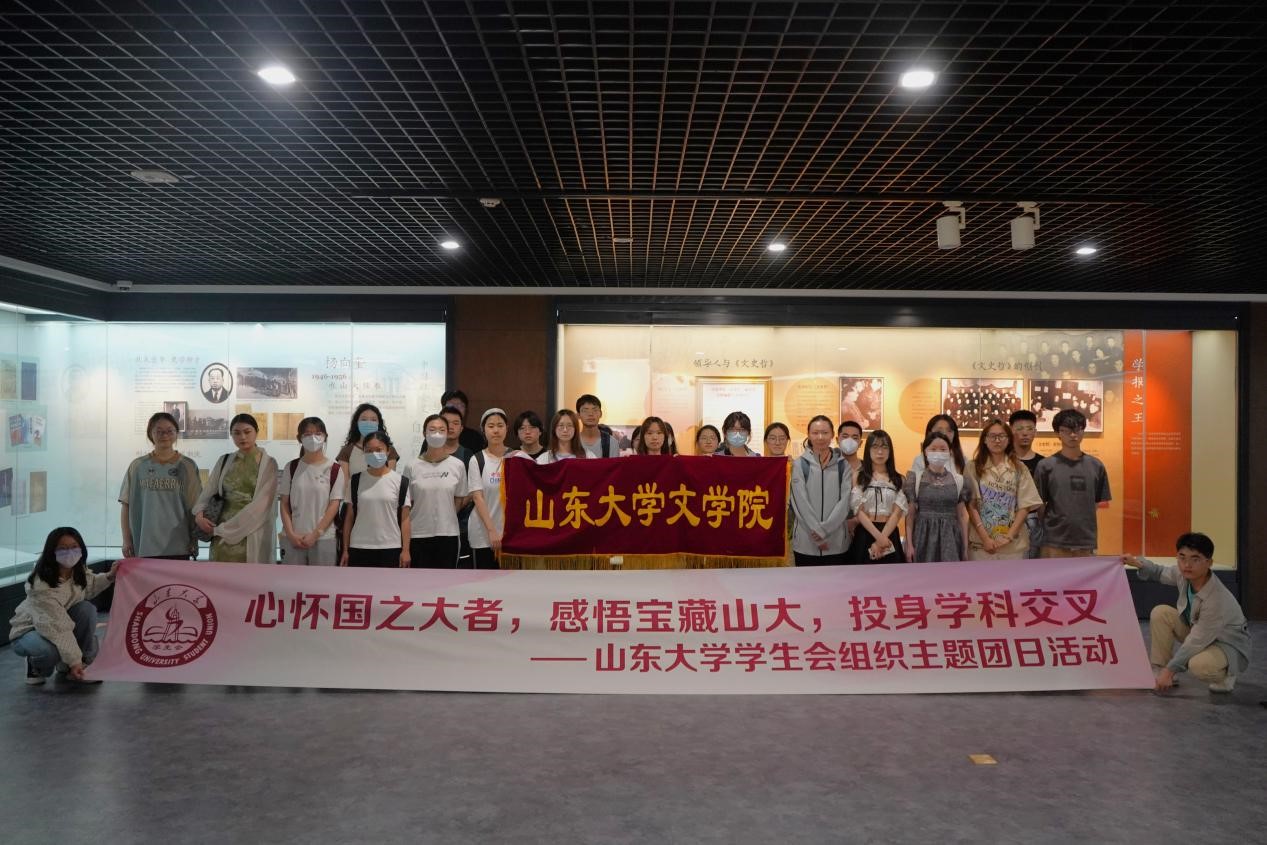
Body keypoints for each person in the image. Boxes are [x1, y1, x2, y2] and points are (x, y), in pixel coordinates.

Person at [1124, 533, 1251, 693]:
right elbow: (1159, 572)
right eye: (1182, 557)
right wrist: (1137, 563)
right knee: (1161, 613)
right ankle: (1159, 669)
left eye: (1195, 559)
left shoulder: (1216, 599)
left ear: (1209, 563)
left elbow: (1196, 641)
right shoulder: (1184, 574)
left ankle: (1225, 674)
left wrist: (1171, 670)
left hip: (1226, 644)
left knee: (1199, 665)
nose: (1187, 564)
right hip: (1201, 632)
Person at [10, 527, 118, 685]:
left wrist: (110, 576)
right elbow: (57, 626)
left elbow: (89, 587)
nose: (70, 552)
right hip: (30, 630)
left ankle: (73, 666)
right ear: (51, 552)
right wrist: (74, 661)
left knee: (86, 609)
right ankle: (35, 665)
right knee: (49, 652)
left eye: (74, 547)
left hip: (59, 622)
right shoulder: (41, 585)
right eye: (62, 548)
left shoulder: (77, 571)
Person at [193, 414, 278, 563]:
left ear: (256, 432)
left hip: (252, 530)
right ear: (231, 435)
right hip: (220, 533)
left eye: (247, 432)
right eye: (237, 433)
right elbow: (208, 492)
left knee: (251, 575)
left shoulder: (269, 464)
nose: (242, 437)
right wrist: (199, 516)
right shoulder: (224, 460)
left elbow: (263, 505)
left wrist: (226, 529)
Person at [119, 411, 201, 560]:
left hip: (179, 545)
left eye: (170, 431)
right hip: (144, 545)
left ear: (176, 433)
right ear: (150, 434)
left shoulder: (188, 466)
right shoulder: (137, 466)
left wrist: (194, 539)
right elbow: (126, 505)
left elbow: (195, 508)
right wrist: (126, 540)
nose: (165, 435)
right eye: (159, 431)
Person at [1034, 408, 1110, 557]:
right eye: (1067, 431)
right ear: (1058, 433)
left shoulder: (1096, 466)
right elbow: (1039, 504)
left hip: (1086, 540)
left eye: (1077, 430)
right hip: (1053, 541)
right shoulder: (1045, 466)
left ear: (1083, 431)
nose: (1073, 435)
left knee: (1086, 573)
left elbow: (1095, 502)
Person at [965, 419, 1042, 560]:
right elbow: (971, 505)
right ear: (984, 439)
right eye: (992, 436)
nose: (997, 440)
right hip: (981, 545)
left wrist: (1009, 536)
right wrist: (985, 538)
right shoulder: (973, 467)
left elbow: (1025, 506)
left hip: (1013, 545)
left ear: (1009, 439)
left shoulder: (1020, 468)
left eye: (1002, 436)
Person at [401, 414, 468, 568]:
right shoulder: (411, 466)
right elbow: (406, 505)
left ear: (447, 433)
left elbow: (459, 498)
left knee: (446, 580)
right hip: (418, 534)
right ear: (424, 433)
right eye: (432, 429)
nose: (437, 434)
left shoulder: (457, 465)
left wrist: (446, 514)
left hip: (448, 534)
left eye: (441, 430)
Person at [340, 431, 411, 568]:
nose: (374, 454)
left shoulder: (401, 481)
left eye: (379, 450)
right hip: (359, 546)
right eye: (369, 450)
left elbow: (405, 519)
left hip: (390, 547)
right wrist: (345, 549)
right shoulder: (355, 481)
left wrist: (406, 550)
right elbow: (349, 517)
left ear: (388, 451)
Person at [279, 416, 343, 566]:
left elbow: (334, 506)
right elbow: (284, 504)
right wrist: (291, 534)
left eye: (318, 433)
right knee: (292, 580)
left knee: (322, 580)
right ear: (299, 438)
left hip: (324, 538)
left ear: (325, 437)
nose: (313, 438)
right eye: (307, 434)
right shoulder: (291, 467)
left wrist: (315, 534)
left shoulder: (334, 469)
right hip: (293, 538)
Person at [790, 416, 852, 566]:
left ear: (832, 435)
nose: (820, 437)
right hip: (806, 543)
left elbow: (845, 502)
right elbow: (799, 503)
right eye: (815, 433)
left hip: (836, 543)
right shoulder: (799, 464)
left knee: (836, 581)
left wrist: (824, 531)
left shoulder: (843, 465)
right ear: (808, 435)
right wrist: (817, 532)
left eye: (825, 433)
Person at [469, 409, 525, 569]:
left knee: (510, 581)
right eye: (491, 426)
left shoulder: (517, 457)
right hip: (483, 534)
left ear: (507, 428)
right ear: (483, 429)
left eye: (500, 425)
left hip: (512, 535)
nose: (496, 430)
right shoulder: (477, 459)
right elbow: (477, 497)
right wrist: (492, 531)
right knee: (484, 581)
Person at [905, 431, 971, 562]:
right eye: (933, 449)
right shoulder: (916, 478)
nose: (938, 453)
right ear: (925, 451)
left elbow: (962, 516)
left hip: (951, 537)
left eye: (943, 449)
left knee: (950, 573)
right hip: (922, 536)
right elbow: (910, 515)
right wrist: (909, 545)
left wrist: (965, 547)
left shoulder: (958, 480)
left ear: (950, 452)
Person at [849, 430, 907, 563]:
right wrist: (879, 538)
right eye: (875, 447)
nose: (880, 452)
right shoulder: (858, 476)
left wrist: (882, 538)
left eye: (884, 447)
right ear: (868, 450)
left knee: (891, 574)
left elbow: (896, 514)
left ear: (890, 451)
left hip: (889, 533)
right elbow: (859, 511)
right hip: (865, 533)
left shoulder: (899, 479)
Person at [1008, 409, 1046, 557]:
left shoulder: (1044, 463)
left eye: (1030, 429)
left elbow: (1044, 499)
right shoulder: (1003, 461)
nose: (1025, 433)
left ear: (1035, 432)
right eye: (1019, 429)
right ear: (1011, 430)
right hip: (1006, 521)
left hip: (1034, 522)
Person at [336, 403, 401, 479]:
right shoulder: (347, 450)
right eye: (364, 419)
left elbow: (391, 480)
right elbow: (345, 483)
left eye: (373, 420)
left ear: (378, 423)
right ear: (357, 423)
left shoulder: (388, 449)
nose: (369, 423)